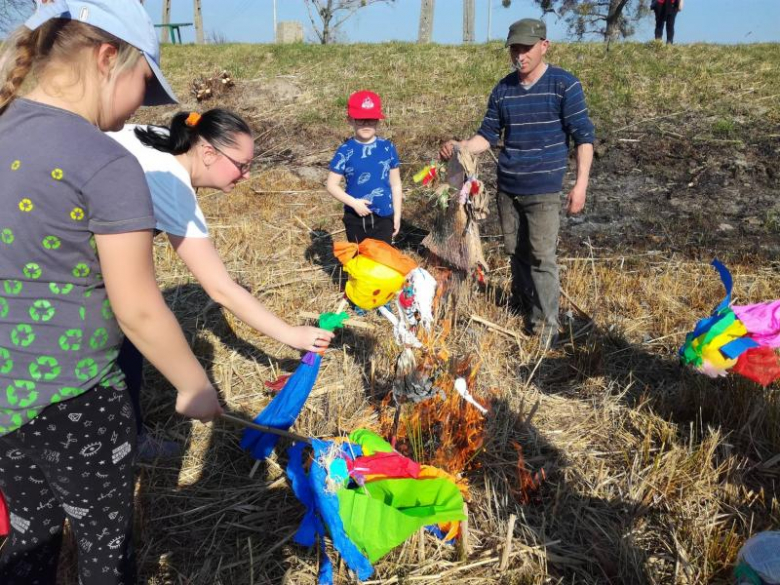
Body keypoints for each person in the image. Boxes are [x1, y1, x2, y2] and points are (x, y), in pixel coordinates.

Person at [0, 1, 223, 583]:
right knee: (104, 551)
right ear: (107, 59)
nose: (141, 105)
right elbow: (139, 307)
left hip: (5, 395)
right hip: (78, 401)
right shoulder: (105, 162)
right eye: (144, 81)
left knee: (29, 536)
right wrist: (193, 385)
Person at [107, 109, 335, 454]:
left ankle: (130, 434)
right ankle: (125, 442)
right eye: (241, 165)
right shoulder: (171, 182)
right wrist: (291, 334)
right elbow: (220, 288)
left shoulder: (168, 142)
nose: (247, 175)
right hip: (66, 263)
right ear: (208, 152)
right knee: (117, 345)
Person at [440, 18, 595, 346]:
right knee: (516, 252)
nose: (520, 56)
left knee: (541, 256)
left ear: (544, 46)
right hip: (508, 188)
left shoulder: (564, 85)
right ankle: (524, 306)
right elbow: (487, 135)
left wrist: (580, 184)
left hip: (544, 190)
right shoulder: (503, 90)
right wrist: (460, 147)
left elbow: (583, 137)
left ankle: (546, 327)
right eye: (515, 49)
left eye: (526, 48)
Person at [326, 90, 402, 246]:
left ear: (378, 121)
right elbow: (331, 185)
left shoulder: (387, 148)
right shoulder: (345, 150)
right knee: (359, 256)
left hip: (384, 215)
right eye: (361, 120)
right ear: (350, 120)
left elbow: (396, 184)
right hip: (355, 217)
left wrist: (397, 214)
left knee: (382, 256)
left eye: (371, 120)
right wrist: (354, 203)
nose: (366, 124)